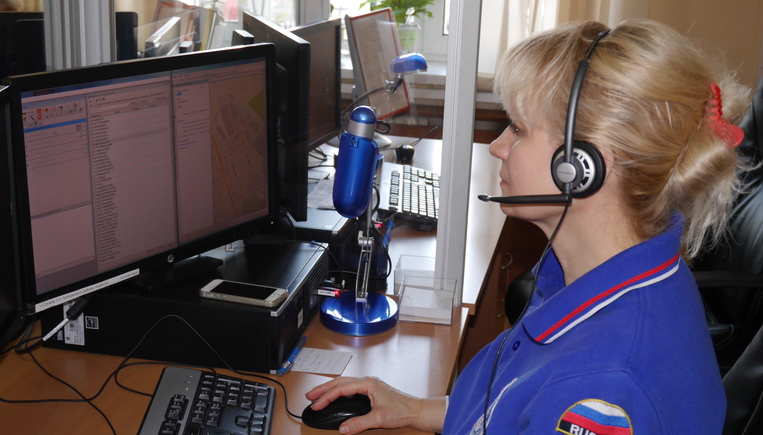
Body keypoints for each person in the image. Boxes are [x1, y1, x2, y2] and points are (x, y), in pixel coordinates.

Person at [306, 19, 750, 434]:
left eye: (517, 129)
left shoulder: (601, 390)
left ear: (582, 167)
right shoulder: (595, 273)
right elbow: (514, 401)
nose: (498, 146)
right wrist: (420, 409)